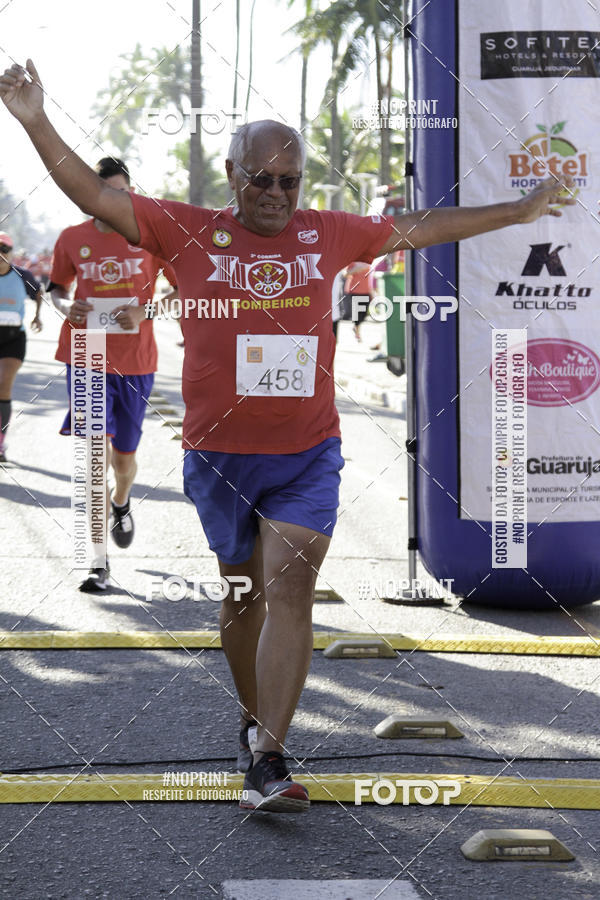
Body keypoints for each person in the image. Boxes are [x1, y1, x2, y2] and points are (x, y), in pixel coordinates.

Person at [0, 59, 574, 813]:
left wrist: (520, 211)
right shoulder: (188, 229)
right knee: (241, 598)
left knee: (291, 584)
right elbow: (93, 194)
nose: (276, 195)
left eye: (290, 181)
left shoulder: (330, 233)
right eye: (261, 180)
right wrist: (34, 117)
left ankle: (269, 754)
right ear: (234, 173)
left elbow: (424, 226)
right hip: (219, 456)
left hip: (307, 451)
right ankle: (253, 718)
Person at [48, 157, 177, 593]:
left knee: (122, 461)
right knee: (92, 460)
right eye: (104, 195)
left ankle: (122, 501)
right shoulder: (72, 239)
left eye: (121, 193)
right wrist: (68, 308)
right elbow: (56, 289)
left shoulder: (152, 237)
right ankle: (96, 561)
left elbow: (183, 288)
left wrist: (147, 310)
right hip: (87, 352)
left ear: (131, 193)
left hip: (136, 360)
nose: (112, 203)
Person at [0, 231, 43, 464]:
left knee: (3, 387)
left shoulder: (21, 274)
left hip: (13, 339)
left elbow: (39, 292)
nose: (0, 254)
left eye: (4, 249)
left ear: (11, 253)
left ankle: (0, 441)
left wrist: (37, 317)